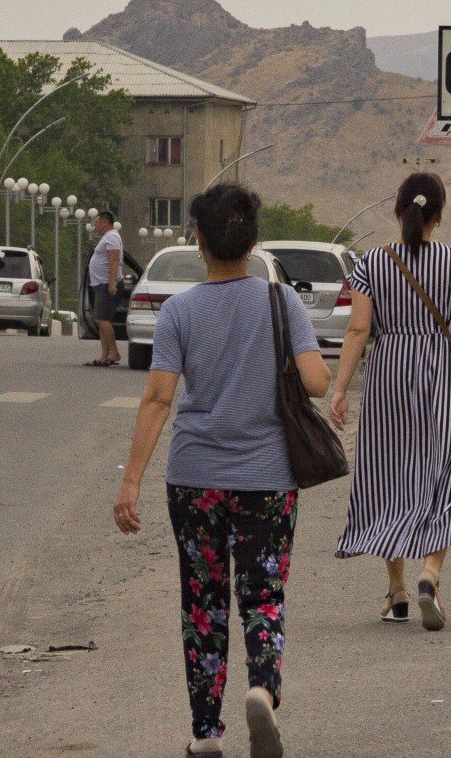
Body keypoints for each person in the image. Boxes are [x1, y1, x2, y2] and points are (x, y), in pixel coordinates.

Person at [114, 183, 329, 758]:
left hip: (194, 479)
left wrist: (130, 481)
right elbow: (316, 383)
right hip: (268, 479)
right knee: (262, 593)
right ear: (255, 240)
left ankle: (206, 736)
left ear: (200, 242)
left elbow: (158, 399)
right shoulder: (281, 303)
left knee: (202, 603)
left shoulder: (179, 312)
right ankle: (261, 688)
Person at [329, 172, 451, 632]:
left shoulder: (373, 262)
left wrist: (339, 388)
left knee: (387, 473)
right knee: (448, 471)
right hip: (443, 371)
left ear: (399, 211)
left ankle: (395, 590)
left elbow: (357, 330)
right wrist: (442, 363)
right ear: (439, 214)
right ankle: (430, 575)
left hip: (389, 371)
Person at [86, 211, 125, 367]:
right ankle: (105, 354)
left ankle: (114, 353)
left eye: (97, 223)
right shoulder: (108, 238)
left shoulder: (112, 237)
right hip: (101, 284)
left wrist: (111, 283)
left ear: (104, 222)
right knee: (102, 320)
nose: (96, 226)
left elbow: (114, 259)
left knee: (102, 319)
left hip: (106, 284)